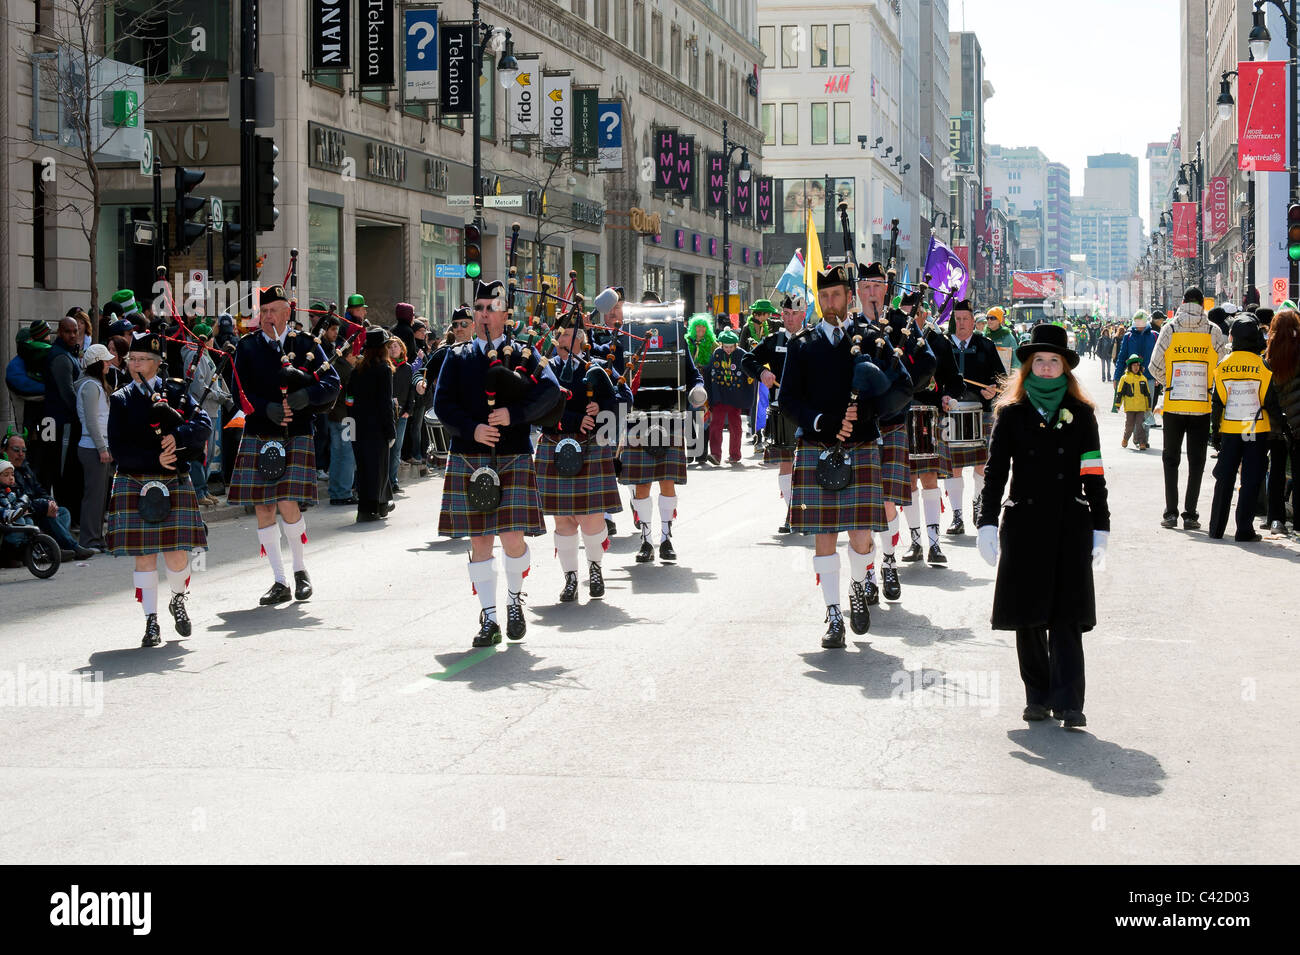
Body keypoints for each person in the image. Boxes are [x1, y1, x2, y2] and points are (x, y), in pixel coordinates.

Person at [977, 323, 1109, 729]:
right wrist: (986, 520)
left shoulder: (1082, 415)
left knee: (1067, 616)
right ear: (1028, 367)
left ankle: (1070, 702)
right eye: (1040, 361)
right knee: (1029, 615)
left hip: (1070, 522)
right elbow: (996, 472)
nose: (1048, 368)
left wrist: (1101, 525)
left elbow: (1093, 473)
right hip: (1024, 523)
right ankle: (1037, 695)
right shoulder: (1011, 414)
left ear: (1065, 369)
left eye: (1054, 361)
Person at [779, 264, 911, 648]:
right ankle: (833, 612)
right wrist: (821, 421)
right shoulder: (803, 345)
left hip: (862, 442)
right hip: (817, 447)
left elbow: (898, 390)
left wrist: (869, 409)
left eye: (836, 295)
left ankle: (857, 586)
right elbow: (788, 399)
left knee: (859, 534)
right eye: (823, 297)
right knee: (823, 534)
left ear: (848, 298)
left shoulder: (870, 339)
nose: (829, 303)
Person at [434, 279, 561, 646]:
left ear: (506, 314)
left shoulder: (524, 355)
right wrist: (472, 429)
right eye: (479, 308)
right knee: (481, 539)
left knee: (512, 539)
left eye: (491, 308)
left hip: (513, 454)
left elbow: (550, 392)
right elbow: (443, 405)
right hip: (470, 457)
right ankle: (489, 619)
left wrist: (514, 414)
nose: (484, 315)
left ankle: (513, 601)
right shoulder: (457, 358)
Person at [228, 286, 341, 604]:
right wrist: (265, 408)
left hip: (296, 432)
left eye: (272, 311)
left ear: (287, 312)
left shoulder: (306, 345)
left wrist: (306, 396)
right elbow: (238, 391)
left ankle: (300, 571)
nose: (266, 317)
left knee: (289, 502)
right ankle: (279, 581)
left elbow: (332, 384)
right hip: (259, 432)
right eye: (262, 312)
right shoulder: (247, 347)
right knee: (263, 507)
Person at [105, 331, 212, 647]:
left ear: (155, 363)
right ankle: (151, 621)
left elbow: (203, 424)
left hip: (173, 480)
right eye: (131, 359)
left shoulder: (176, 391)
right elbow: (119, 450)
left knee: (178, 555)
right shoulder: (121, 399)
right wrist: (157, 456)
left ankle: (177, 598)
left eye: (141, 359)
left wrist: (176, 439)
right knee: (144, 555)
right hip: (135, 481)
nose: (134, 364)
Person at [536, 313, 623, 603]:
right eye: (564, 332)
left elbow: (619, 403)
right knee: (563, 522)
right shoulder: (545, 369)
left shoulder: (596, 369)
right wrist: (574, 420)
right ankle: (570, 578)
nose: (569, 337)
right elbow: (541, 409)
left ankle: (595, 568)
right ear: (556, 337)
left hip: (590, 446)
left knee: (592, 519)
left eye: (575, 333)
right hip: (555, 443)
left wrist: (601, 406)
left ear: (584, 340)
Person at [622, 313, 708, 564]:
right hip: (637, 417)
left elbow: (692, 373)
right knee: (642, 483)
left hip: (671, 414)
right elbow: (617, 375)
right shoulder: (627, 339)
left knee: (667, 481)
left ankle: (666, 539)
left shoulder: (676, 340)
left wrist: (698, 387)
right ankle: (646, 540)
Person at [1147, 288, 1229, 530]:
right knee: (1197, 460)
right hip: (1201, 405)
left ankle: (1170, 512)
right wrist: (1209, 386)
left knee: (1170, 459)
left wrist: (1169, 381)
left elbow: (1153, 366)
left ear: (1182, 302)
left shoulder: (1169, 329)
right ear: (1203, 304)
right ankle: (1190, 514)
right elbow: (1221, 365)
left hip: (1174, 403)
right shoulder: (1214, 331)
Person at [898, 291, 962, 565]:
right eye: (904, 313)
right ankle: (915, 542)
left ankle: (934, 544)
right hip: (900, 416)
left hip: (930, 415)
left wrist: (948, 396)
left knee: (929, 480)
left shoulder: (938, 341)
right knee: (907, 482)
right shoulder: (893, 339)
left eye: (912, 313)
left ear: (923, 312)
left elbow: (955, 379)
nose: (908, 318)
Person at [1208, 318, 1284, 541]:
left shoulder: (1223, 365)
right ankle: (1244, 529)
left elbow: (1217, 402)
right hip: (1255, 430)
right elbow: (1271, 402)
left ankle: (1216, 528)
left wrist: (1215, 433)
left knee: (1225, 478)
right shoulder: (1262, 366)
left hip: (1230, 429)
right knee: (1251, 478)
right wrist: (1283, 426)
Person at [939, 300, 1004, 533]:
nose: (962, 323)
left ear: (973, 321)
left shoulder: (985, 345)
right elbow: (933, 380)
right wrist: (942, 397)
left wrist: (993, 388)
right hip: (951, 412)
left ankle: (977, 504)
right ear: (953, 320)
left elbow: (1000, 378)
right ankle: (957, 516)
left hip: (981, 411)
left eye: (966, 318)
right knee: (953, 467)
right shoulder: (942, 345)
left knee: (980, 464)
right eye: (958, 319)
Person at [741, 293, 804, 532]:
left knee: (809, 463)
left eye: (794, 314)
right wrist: (761, 373)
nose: (789, 318)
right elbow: (747, 359)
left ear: (802, 314)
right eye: (785, 314)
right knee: (787, 462)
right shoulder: (774, 340)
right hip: (783, 409)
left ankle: (808, 511)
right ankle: (791, 513)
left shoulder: (814, 339)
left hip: (810, 410)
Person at [1, 433, 91, 560]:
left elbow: (39, 489)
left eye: (24, 450)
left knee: (63, 512)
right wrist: (44, 506)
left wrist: (50, 501)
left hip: (34, 507)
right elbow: (17, 499)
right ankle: (71, 547)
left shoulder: (25, 467)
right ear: (4, 450)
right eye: (16, 450)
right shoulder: (5, 473)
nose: (20, 454)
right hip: (21, 513)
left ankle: (54, 548)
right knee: (49, 516)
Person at [349, 327, 396, 522]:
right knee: (379, 467)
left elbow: (349, 398)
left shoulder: (357, 370)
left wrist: (351, 419)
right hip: (377, 426)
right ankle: (378, 506)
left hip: (357, 425)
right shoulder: (384, 369)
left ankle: (368, 506)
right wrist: (390, 429)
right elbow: (385, 403)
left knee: (364, 466)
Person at [74, 344, 115, 551]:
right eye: (106, 360)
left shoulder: (94, 384)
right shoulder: (90, 386)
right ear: (97, 364)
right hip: (92, 448)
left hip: (96, 446)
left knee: (100, 496)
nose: (109, 363)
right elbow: (91, 421)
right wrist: (102, 448)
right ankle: (89, 540)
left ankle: (96, 538)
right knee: (94, 496)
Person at [1265, 308, 1300, 533]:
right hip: (1298, 423)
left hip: (1276, 424)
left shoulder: (1268, 356)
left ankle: (1275, 519)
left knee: (1276, 470)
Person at [704, 328, 752, 465]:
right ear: (721, 344)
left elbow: (750, 370)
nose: (728, 350)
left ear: (736, 345)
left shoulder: (742, 354)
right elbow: (709, 371)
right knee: (715, 425)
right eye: (726, 347)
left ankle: (735, 455)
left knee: (735, 426)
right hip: (720, 396)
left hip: (736, 397)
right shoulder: (717, 353)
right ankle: (715, 455)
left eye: (731, 347)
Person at [388, 336, 415, 493]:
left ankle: (393, 480)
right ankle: (385, 480)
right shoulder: (385, 366)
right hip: (387, 412)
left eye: (396, 346)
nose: (393, 349)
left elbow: (412, 391)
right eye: (390, 347)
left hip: (402, 412)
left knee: (397, 448)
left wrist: (409, 410)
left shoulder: (407, 368)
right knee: (387, 446)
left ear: (402, 349)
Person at [1117, 354, 1151, 450]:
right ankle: (1125, 439)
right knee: (1129, 426)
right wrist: (1117, 404)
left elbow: (1147, 394)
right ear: (1130, 366)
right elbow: (1120, 392)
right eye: (1134, 365)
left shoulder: (1143, 379)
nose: (1136, 367)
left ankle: (1142, 443)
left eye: (1138, 365)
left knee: (1140, 425)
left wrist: (1148, 407)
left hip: (1141, 408)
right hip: (1130, 408)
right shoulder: (1125, 378)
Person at [982, 306, 1018, 375]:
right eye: (987, 318)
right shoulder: (984, 336)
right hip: (987, 379)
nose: (989, 320)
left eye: (992, 318)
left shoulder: (1008, 337)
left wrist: (1013, 378)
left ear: (999, 320)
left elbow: (1015, 361)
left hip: (1004, 379)